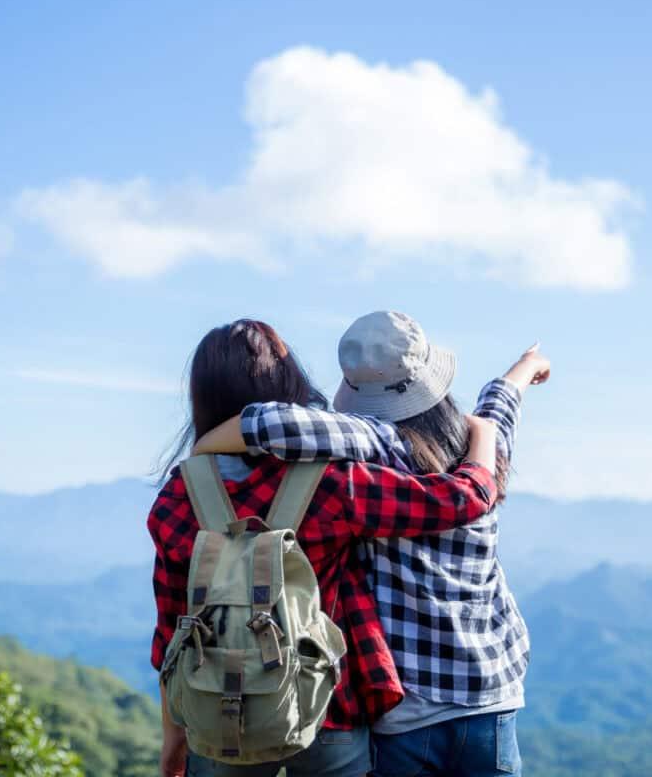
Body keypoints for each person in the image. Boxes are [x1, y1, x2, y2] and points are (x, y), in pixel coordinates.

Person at [193, 311, 550, 777]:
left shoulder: (374, 447)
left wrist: (203, 450)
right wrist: (523, 370)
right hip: (491, 697)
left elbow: (269, 424)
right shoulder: (485, 444)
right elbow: (500, 404)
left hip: (405, 712)